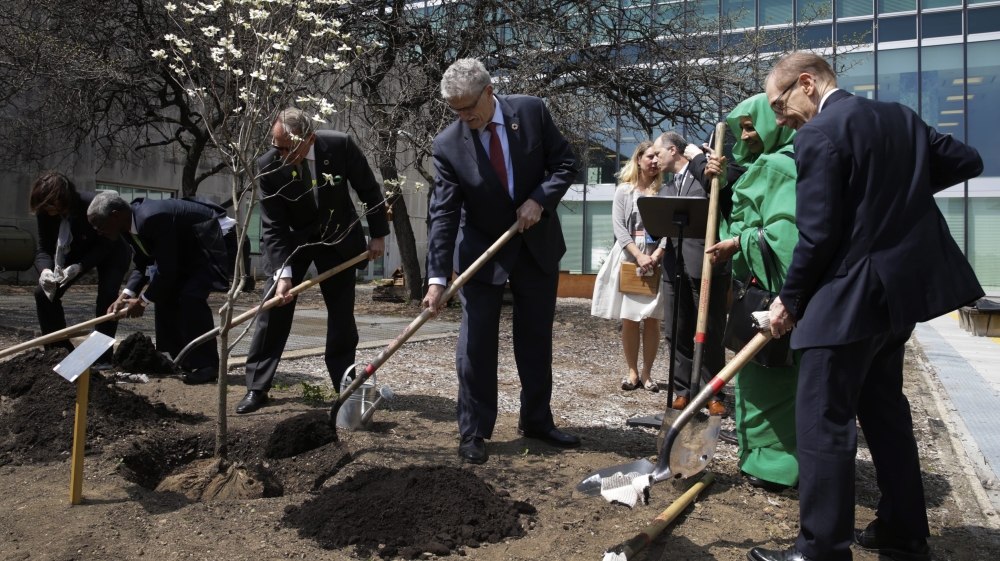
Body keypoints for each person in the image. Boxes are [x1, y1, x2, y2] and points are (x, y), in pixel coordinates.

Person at [749, 53, 984, 561]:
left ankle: (821, 549)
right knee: (885, 414)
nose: (780, 119)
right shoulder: (900, 118)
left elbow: (817, 236)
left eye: (779, 105)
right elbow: (967, 159)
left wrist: (788, 300)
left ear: (806, 83)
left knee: (823, 422)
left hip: (846, 301)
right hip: (895, 302)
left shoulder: (817, 135)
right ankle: (903, 532)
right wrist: (893, 195)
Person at [422, 58, 580, 464]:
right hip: (480, 252)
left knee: (535, 339)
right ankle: (473, 430)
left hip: (535, 246)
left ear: (489, 92)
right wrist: (437, 278)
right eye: (455, 110)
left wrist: (539, 200)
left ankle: (537, 420)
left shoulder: (531, 111)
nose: (463, 117)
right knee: (475, 345)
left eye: (468, 108)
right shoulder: (448, 144)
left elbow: (565, 163)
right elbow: (443, 213)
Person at [237, 107, 388, 414]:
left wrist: (378, 235)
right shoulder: (269, 165)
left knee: (342, 316)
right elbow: (273, 225)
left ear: (310, 139)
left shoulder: (340, 146)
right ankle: (257, 386)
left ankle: (344, 388)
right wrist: (282, 274)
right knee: (273, 309)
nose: (281, 155)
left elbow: (368, 189)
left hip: (337, 238)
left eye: (288, 148)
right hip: (294, 242)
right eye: (277, 146)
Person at [704, 93, 800, 493]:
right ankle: (759, 456)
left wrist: (737, 243)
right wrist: (723, 185)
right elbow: (748, 216)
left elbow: (784, 238)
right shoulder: (770, 164)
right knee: (758, 379)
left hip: (775, 297)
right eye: (741, 129)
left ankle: (776, 466)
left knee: (772, 381)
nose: (745, 135)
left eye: (750, 126)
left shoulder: (780, 166)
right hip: (762, 293)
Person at [88, 191, 236, 383]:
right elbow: (144, 263)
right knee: (164, 295)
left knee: (190, 296)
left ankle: (207, 366)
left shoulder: (151, 218)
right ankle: (177, 358)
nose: (99, 232)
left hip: (216, 240)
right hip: (192, 248)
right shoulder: (128, 227)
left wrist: (142, 301)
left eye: (100, 226)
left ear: (115, 215)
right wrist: (124, 296)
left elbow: (167, 269)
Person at [652, 131, 731, 416]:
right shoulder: (667, 189)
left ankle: (712, 393)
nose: (654, 159)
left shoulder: (705, 179)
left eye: (657, 153)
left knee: (709, 330)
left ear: (673, 150)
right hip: (674, 269)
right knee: (677, 331)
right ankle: (683, 391)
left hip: (707, 266)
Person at [29, 171, 130, 365]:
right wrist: (45, 271)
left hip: (111, 249)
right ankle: (59, 351)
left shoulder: (91, 204)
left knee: (107, 297)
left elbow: (106, 245)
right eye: (42, 205)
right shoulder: (45, 211)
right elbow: (44, 247)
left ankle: (101, 356)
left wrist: (80, 266)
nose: (46, 208)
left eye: (50, 204)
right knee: (43, 294)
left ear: (64, 197)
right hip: (75, 250)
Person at [591, 141, 667, 392]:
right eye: (649, 157)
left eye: (657, 157)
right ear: (638, 160)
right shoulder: (624, 191)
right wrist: (639, 256)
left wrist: (657, 254)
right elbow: (620, 229)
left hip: (657, 258)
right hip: (629, 257)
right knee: (630, 319)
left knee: (653, 319)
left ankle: (647, 374)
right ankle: (632, 372)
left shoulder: (664, 192)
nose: (654, 161)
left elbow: (670, 229)